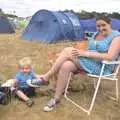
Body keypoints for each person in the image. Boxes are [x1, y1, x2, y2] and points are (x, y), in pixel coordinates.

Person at [29, 14, 120, 111]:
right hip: (90, 62)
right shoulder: (95, 35)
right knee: (66, 65)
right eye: (98, 26)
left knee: (68, 50)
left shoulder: (116, 37)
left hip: (103, 67)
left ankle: (46, 78)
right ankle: (56, 98)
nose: (101, 28)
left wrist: (85, 54)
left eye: (103, 25)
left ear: (110, 24)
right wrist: (82, 53)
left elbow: (110, 57)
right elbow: (90, 49)